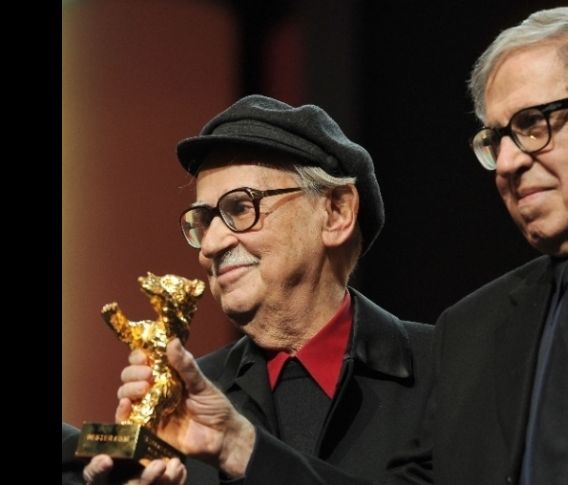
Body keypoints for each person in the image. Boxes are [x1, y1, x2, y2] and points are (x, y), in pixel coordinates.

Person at [90, 5, 568, 484]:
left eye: (533, 125)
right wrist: (237, 445)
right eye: (496, 138)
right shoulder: (479, 331)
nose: (509, 163)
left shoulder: (439, 354)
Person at [81, 95, 434, 484]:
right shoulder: (182, 408)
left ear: (335, 212)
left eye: (239, 208)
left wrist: (241, 448)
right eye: (203, 220)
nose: (211, 245)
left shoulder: (448, 370)